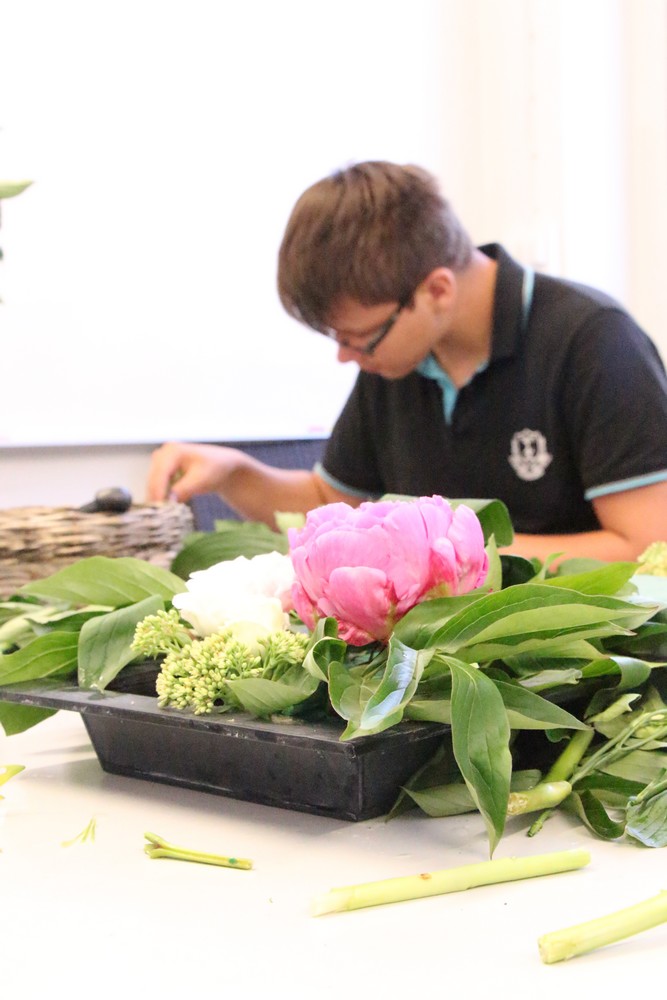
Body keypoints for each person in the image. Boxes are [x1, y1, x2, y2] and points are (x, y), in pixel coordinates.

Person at [147, 161, 667, 563]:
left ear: (436, 291)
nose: (345, 356)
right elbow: (333, 505)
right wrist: (233, 474)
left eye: (359, 339)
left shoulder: (593, 342)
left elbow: (647, 547)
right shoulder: (399, 356)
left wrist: (443, 554)